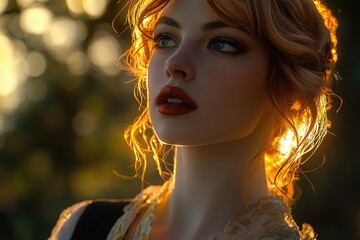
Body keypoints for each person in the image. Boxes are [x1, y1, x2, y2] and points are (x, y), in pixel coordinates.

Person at [49, 0, 338, 239]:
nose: (175, 63)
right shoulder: (83, 227)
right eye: (165, 39)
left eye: (222, 44)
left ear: (288, 82)